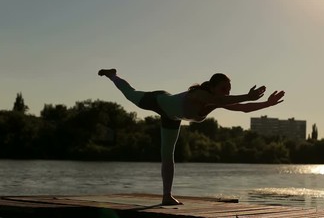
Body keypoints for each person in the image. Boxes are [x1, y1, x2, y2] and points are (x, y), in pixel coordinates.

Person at [98, 68, 285, 205]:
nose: (227, 92)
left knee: (167, 155)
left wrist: (267, 104)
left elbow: (242, 108)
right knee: (130, 94)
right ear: (211, 87)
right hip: (159, 100)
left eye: (229, 88)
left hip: (172, 117)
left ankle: (166, 196)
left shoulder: (215, 100)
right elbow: (224, 100)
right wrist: (247, 95)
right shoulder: (200, 94)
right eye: (223, 88)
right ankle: (113, 75)